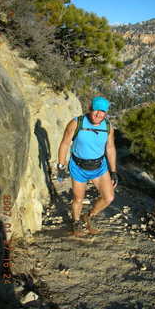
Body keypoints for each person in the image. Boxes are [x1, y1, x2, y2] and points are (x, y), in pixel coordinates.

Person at [57, 96, 118, 237]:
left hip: (99, 167)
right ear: (90, 109)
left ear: (106, 113)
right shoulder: (76, 123)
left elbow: (110, 148)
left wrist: (113, 171)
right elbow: (65, 143)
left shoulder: (108, 127)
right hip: (79, 167)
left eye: (102, 111)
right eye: (96, 110)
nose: (98, 114)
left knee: (108, 198)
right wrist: (61, 166)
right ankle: (76, 221)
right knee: (78, 199)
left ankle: (89, 216)